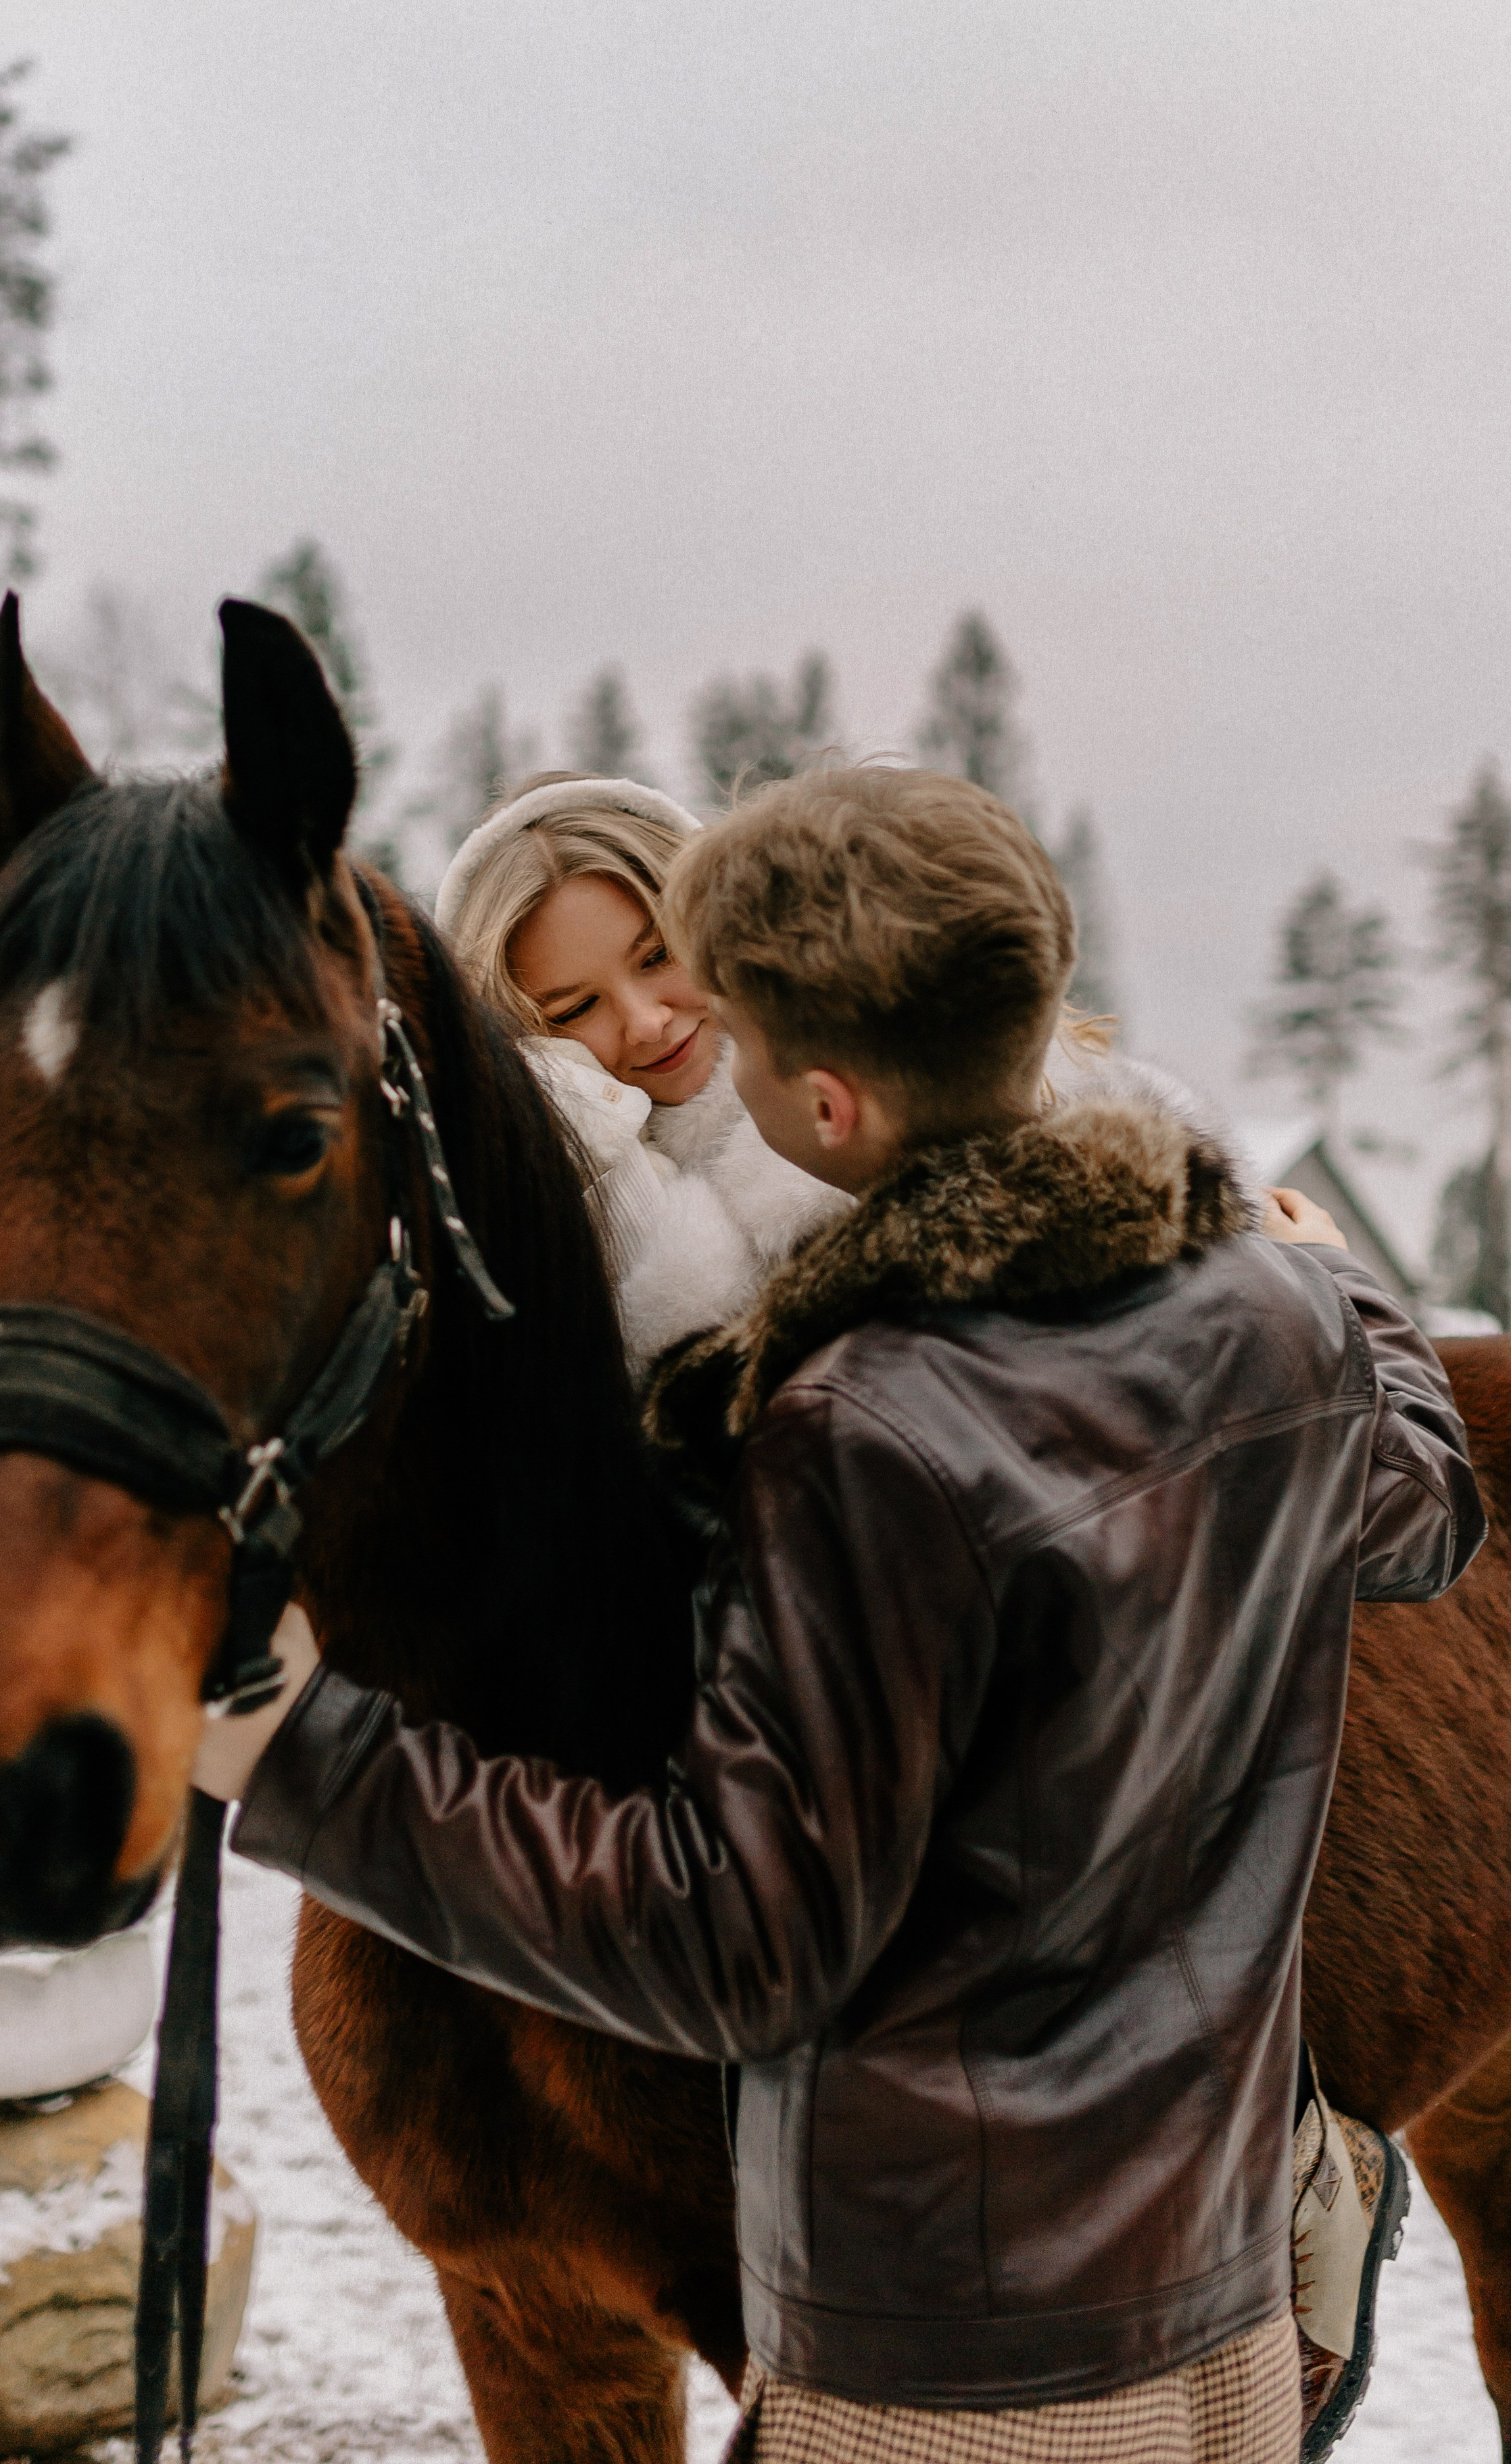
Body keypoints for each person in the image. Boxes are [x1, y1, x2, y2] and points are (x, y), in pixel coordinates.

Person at [202, 765, 1482, 2463]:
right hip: (1203, 2271)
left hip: (951, 2332)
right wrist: (1336, 1287)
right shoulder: (1252, 1308)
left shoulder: (846, 1420)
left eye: (686, 988)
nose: (654, 1032)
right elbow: (1420, 1501)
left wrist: (304, 1763)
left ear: (809, 1085)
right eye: (567, 1012)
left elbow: (742, 1934)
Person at [435, 772, 847, 1372]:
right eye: (575, 1009)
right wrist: (599, 1162)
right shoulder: (512, 1239)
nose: (646, 1023)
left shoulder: (874, 1103)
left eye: (657, 956)